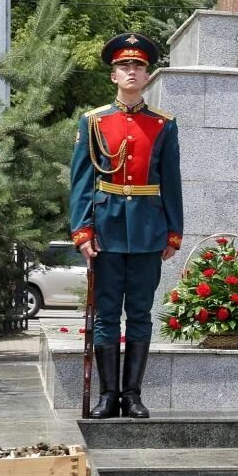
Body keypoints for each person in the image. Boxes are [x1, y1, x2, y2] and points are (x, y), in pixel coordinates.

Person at [69, 33, 183, 419]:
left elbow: (171, 180)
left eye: (137, 66)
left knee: (139, 313)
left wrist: (173, 231)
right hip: (106, 229)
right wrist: (82, 230)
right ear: (113, 76)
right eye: (123, 66)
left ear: (147, 75)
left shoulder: (164, 125)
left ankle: (132, 395)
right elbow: (82, 181)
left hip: (149, 229)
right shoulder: (94, 122)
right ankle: (107, 395)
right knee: (105, 313)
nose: (131, 71)